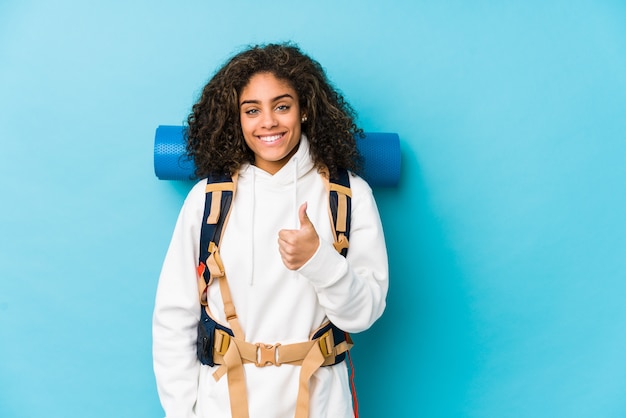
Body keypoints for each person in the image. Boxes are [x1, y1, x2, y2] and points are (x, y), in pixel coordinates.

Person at [152, 42, 388, 418]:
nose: (268, 122)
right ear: (237, 118)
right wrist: (181, 412)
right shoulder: (207, 200)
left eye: (282, 106)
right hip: (223, 405)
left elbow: (362, 316)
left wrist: (320, 261)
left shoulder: (348, 196)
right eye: (252, 110)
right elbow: (174, 317)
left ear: (305, 110)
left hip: (321, 403)